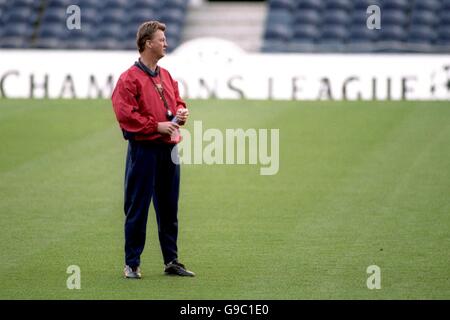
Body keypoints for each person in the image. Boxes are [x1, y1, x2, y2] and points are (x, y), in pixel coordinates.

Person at [111, 21, 194, 278]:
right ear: (148, 43)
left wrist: (181, 113)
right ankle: (132, 263)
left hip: (168, 151)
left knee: (169, 207)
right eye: (161, 39)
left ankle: (171, 260)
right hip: (144, 151)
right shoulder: (129, 79)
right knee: (138, 206)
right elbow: (125, 115)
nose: (165, 43)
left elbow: (176, 102)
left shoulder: (166, 75)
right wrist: (156, 127)